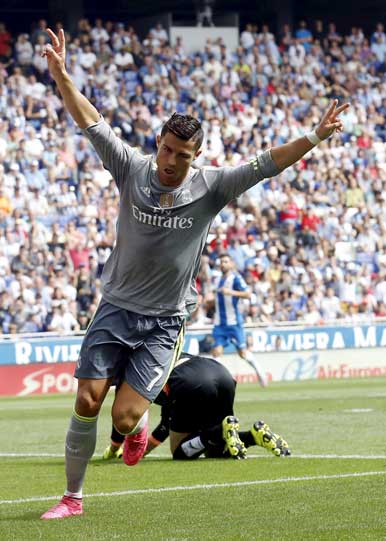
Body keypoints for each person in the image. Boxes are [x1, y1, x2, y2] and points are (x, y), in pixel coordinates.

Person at [39, 27, 348, 519]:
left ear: (196, 156)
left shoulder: (212, 187)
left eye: (183, 156)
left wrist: (315, 135)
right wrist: (60, 75)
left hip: (164, 321)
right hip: (116, 306)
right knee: (87, 400)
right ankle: (73, 498)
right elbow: (91, 120)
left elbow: (268, 164)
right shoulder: (130, 168)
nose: (171, 162)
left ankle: (135, 428)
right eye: (166, 150)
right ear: (157, 142)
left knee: (124, 416)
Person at [101, 353, 290, 462]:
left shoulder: (132, 375)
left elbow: (123, 419)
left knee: (180, 452)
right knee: (217, 450)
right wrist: (144, 450)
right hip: (221, 373)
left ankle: (217, 433)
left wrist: (115, 448)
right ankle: (254, 436)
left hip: (190, 381)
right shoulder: (159, 353)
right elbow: (165, 424)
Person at [211, 254, 268, 387]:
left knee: (242, 353)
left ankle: (259, 372)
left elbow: (248, 294)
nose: (223, 264)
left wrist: (231, 292)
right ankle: (217, 381)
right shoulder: (217, 280)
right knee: (217, 351)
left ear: (231, 264)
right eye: (221, 262)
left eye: (226, 261)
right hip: (220, 323)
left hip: (234, 324)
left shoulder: (236, 278)